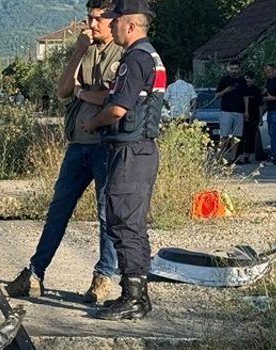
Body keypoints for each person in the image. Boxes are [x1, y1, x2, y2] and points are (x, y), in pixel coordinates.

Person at [5, 0, 124, 304]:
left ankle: (103, 276)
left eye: (98, 19)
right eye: (89, 18)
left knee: (105, 214)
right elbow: (61, 89)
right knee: (58, 210)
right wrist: (78, 51)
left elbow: (113, 98)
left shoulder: (123, 53)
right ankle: (35, 273)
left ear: (113, 21)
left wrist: (83, 92)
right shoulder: (86, 49)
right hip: (77, 147)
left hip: (105, 146)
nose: (92, 24)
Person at [80, 0, 166, 321]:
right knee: (133, 222)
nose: (110, 25)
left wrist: (92, 123)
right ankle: (137, 294)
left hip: (130, 152)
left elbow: (118, 108)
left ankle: (132, 298)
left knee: (123, 221)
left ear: (129, 25)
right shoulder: (151, 56)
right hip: (141, 151)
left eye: (114, 21)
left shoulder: (134, 60)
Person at [214, 59, 248, 164]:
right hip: (226, 111)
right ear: (229, 69)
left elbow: (245, 96)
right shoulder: (224, 80)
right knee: (224, 135)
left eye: (236, 69)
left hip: (239, 111)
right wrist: (226, 90)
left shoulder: (242, 80)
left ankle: (233, 158)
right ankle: (218, 157)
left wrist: (246, 111)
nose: (234, 71)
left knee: (236, 136)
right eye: (232, 69)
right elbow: (217, 95)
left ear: (239, 69)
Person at [238, 75, 262, 163]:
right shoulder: (241, 89)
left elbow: (260, 104)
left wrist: (260, 117)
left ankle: (247, 156)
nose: (248, 81)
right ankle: (238, 156)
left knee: (250, 136)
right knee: (240, 136)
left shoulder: (256, 90)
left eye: (250, 79)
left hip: (253, 116)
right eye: (246, 79)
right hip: (240, 115)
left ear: (253, 80)